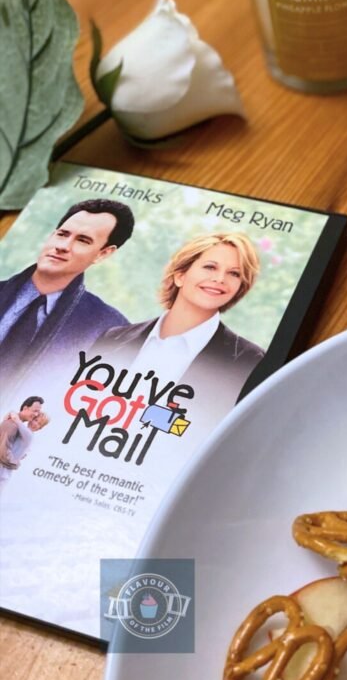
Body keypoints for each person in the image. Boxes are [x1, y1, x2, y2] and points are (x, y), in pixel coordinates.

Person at [95, 233, 264, 418]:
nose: (220, 279)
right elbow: (78, 398)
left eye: (234, 273)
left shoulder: (249, 360)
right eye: (210, 267)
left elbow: (203, 430)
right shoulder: (112, 337)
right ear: (180, 276)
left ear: (240, 287)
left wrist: (137, 413)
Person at [0, 198, 136, 386]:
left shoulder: (109, 329)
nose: (63, 246)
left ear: (103, 253)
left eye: (83, 240)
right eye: (62, 234)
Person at [0, 397, 49, 497]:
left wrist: (12, 413)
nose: (35, 423)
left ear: (40, 428)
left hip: (4, 472)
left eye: (39, 424)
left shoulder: (28, 434)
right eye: (35, 420)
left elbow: (16, 419)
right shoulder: (18, 429)